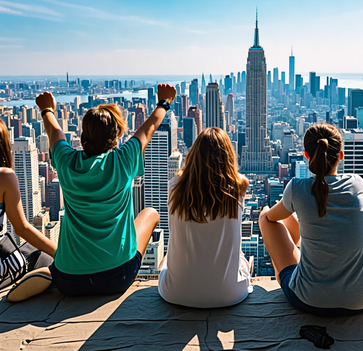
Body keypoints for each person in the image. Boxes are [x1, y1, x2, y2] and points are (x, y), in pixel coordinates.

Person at [34, 84, 176, 297]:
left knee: (58, 266)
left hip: (69, 281)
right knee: (151, 213)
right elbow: (147, 130)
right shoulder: (123, 161)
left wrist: (47, 110)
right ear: (116, 135)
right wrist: (164, 103)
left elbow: (55, 132)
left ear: (84, 134)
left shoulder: (66, 162)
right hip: (118, 277)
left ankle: (48, 273)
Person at [258, 123, 363, 316]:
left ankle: (291, 272)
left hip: (311, 299)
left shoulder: (297, 188)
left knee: (265, 216)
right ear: (341, 154)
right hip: (362, 297)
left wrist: (266, 212)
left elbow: (271, 218)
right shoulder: (357, 184)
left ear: (306, 155)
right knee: (294, 216)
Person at [158, 127, 252, 308]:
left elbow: (183, 176)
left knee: (165, 259)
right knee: (243, 261)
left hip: (176, 294)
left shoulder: (175, 187)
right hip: (229, 295)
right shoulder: (239, 187)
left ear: (193, 154)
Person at [0, 120, 55, 302]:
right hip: (2, 267)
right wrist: (62, 254)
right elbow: (21, 228)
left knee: (29, 248)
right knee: (49, 260)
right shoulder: (4, 176)